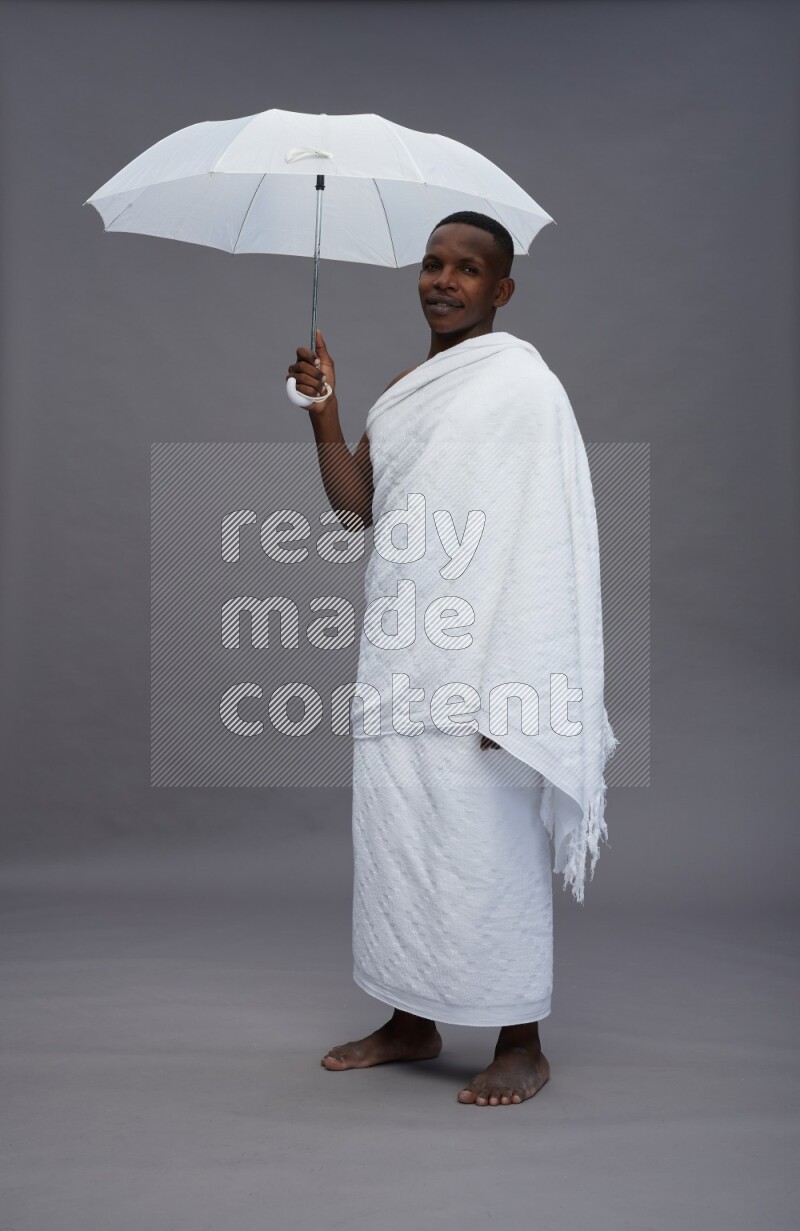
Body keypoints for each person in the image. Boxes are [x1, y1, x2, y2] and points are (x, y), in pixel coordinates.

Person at [287, 212, 579, 1107]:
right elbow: (353, 511)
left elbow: (547, 539)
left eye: (467, 268)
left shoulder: (522, 387)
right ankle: (412, 1019)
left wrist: (516, 687)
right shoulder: (405, 389)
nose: (443, 280)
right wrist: (327, 412)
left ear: (503, 290)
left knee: (487, 849)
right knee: (401, 848)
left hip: (484, 664)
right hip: (401, 657)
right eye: (432, 263)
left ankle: (520, 1037)